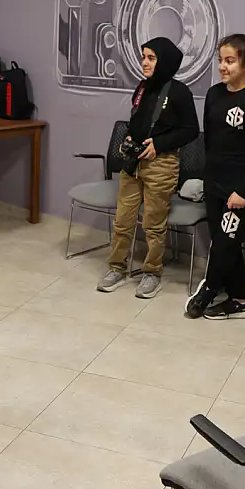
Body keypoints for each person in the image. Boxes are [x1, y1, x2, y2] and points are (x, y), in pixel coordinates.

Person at [96, 37, 199, 299]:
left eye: (151, 58)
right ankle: (116, 268)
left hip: (161, 164)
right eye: (143, 57)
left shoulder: (179, 92)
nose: (144, 62)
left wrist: (160, 144)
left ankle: (152, 273)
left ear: (164, 61)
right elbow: (137, 121)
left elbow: (190, 130)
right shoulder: (142, 87)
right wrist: (130, 138)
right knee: (123, 220)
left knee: (153, 225)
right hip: (134, 163)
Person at [186, 33, 245, 320]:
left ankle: (209, 288)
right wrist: (208, 179)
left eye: (230, 61)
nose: (222, 67)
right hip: (214, 184)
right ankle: (239, 300)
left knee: (226, 241)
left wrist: (243, 191)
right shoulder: (214, 94)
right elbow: (211, 141)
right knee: (225, 242)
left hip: (241, 190)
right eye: (220, 60)